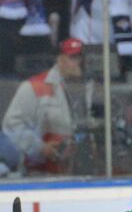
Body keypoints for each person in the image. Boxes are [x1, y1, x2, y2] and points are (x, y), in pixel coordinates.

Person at [2, 37, 83, 175]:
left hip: (77, 171)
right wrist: (39, 147)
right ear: (60, 59)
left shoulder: (87, 90)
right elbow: (11, 125)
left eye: (80, 58)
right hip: (39, 174)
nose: (78, 63)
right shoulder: (34, 86)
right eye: (73, 58)